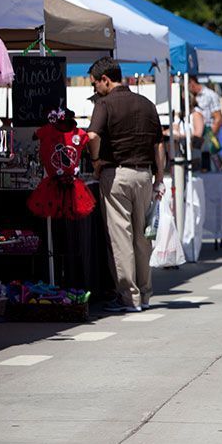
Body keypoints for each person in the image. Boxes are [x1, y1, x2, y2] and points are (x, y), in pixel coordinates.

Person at [86, 58, 165, 313]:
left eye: (95, 84)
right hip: (144, 175)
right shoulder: (146, 104)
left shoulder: (105, 104)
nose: (95, 89)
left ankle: (129, 298)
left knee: (121, 237)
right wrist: (159, 178)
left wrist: (95, 160)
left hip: (116, 175)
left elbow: (92, 135)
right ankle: (145, 294)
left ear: (105, 79)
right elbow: (159, 145)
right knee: (142, 238)